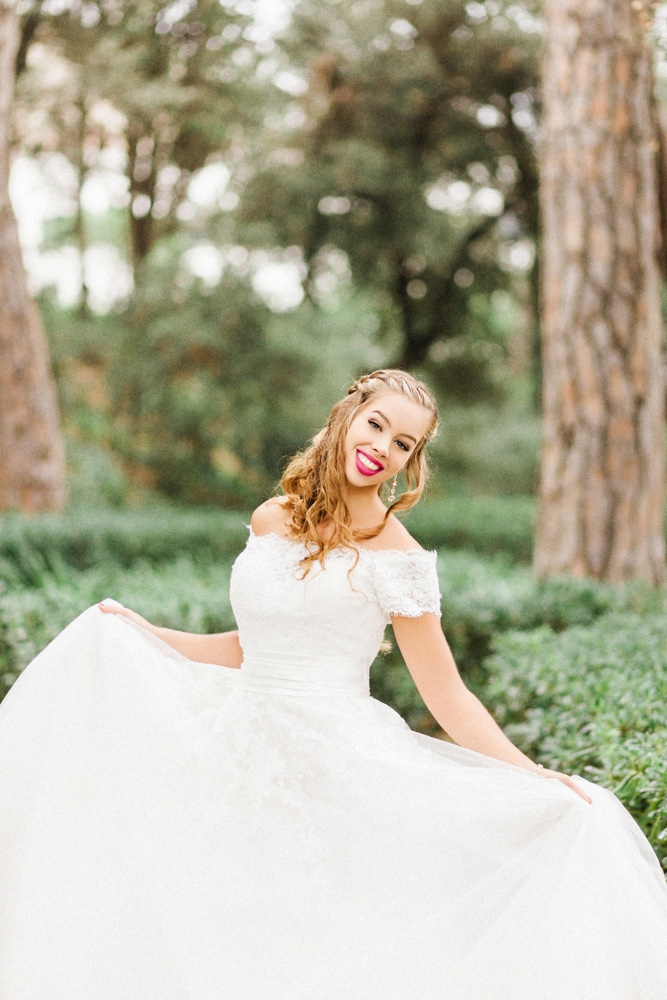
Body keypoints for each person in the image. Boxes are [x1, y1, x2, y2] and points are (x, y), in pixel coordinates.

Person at [0, 369, 666, 1000]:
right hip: (236, 754)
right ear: (348, 415)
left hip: (336, 765)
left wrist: (533, 776)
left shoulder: (399, 560)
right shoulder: (271, 518)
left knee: (325, 934)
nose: (381, 448)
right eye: (375, 425)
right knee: (224, 927)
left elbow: (446, 695)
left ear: (412, 460)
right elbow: (249, 648)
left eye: (402, 442)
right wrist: (144, 634)